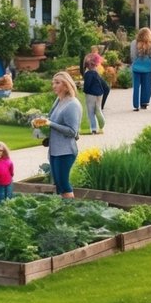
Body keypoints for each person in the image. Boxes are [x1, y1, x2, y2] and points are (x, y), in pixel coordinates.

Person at [46, 71, 83, 199]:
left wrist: (50, 124)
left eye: (57, 83)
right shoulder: (59, 100)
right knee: (59, 185)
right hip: (55, 150)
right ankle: (64, 212)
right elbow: (50, 118)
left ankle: (71, 212)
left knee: (64, 184)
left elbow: (73, 131)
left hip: (66, 151)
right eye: (53, 83)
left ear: (66, 85)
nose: (54, 86)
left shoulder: (72, 104)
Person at [129, 27, 151, 111]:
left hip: (136, 68)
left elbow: (133, 56)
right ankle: (144, 103)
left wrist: (136, 62)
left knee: (136, 87)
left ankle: (136, 105)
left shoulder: (134, 43)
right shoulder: (150, 43)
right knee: (146, 86)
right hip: (147, 68)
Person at [81, 52, 109, 134]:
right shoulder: (96, 73)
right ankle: (102, 122)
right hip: (99, 94)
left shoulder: (88, 74)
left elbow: (87, 85)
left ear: (87, 65)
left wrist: (84, 91)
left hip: (91, 95)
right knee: (98, 109)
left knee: (91, 112)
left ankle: (93, 128)